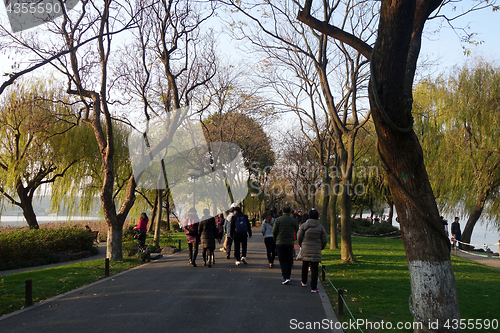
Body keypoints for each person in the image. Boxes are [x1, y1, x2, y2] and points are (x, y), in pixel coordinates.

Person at [297, 209, 328, 293]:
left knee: (305, 265)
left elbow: (299, 236)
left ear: (309, 216)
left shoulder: (304, 226)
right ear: (317, 217)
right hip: (316, 249)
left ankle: (304, 281)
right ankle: (313, 287)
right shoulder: (321, 227)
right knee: (314, 269)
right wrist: (321, 247)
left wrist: (301, 245)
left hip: (306, 248)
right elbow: (325, 239)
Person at [273, 206, 299, 284]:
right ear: (290, 212)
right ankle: (288, 275)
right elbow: (296, 229)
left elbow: (274, 231)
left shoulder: (278, 220)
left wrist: (275, 239)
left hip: (280, 242)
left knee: (282, 260)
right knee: (289, 259)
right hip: (290, 242)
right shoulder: (293, 220)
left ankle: (285, 276)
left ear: (282, 212)